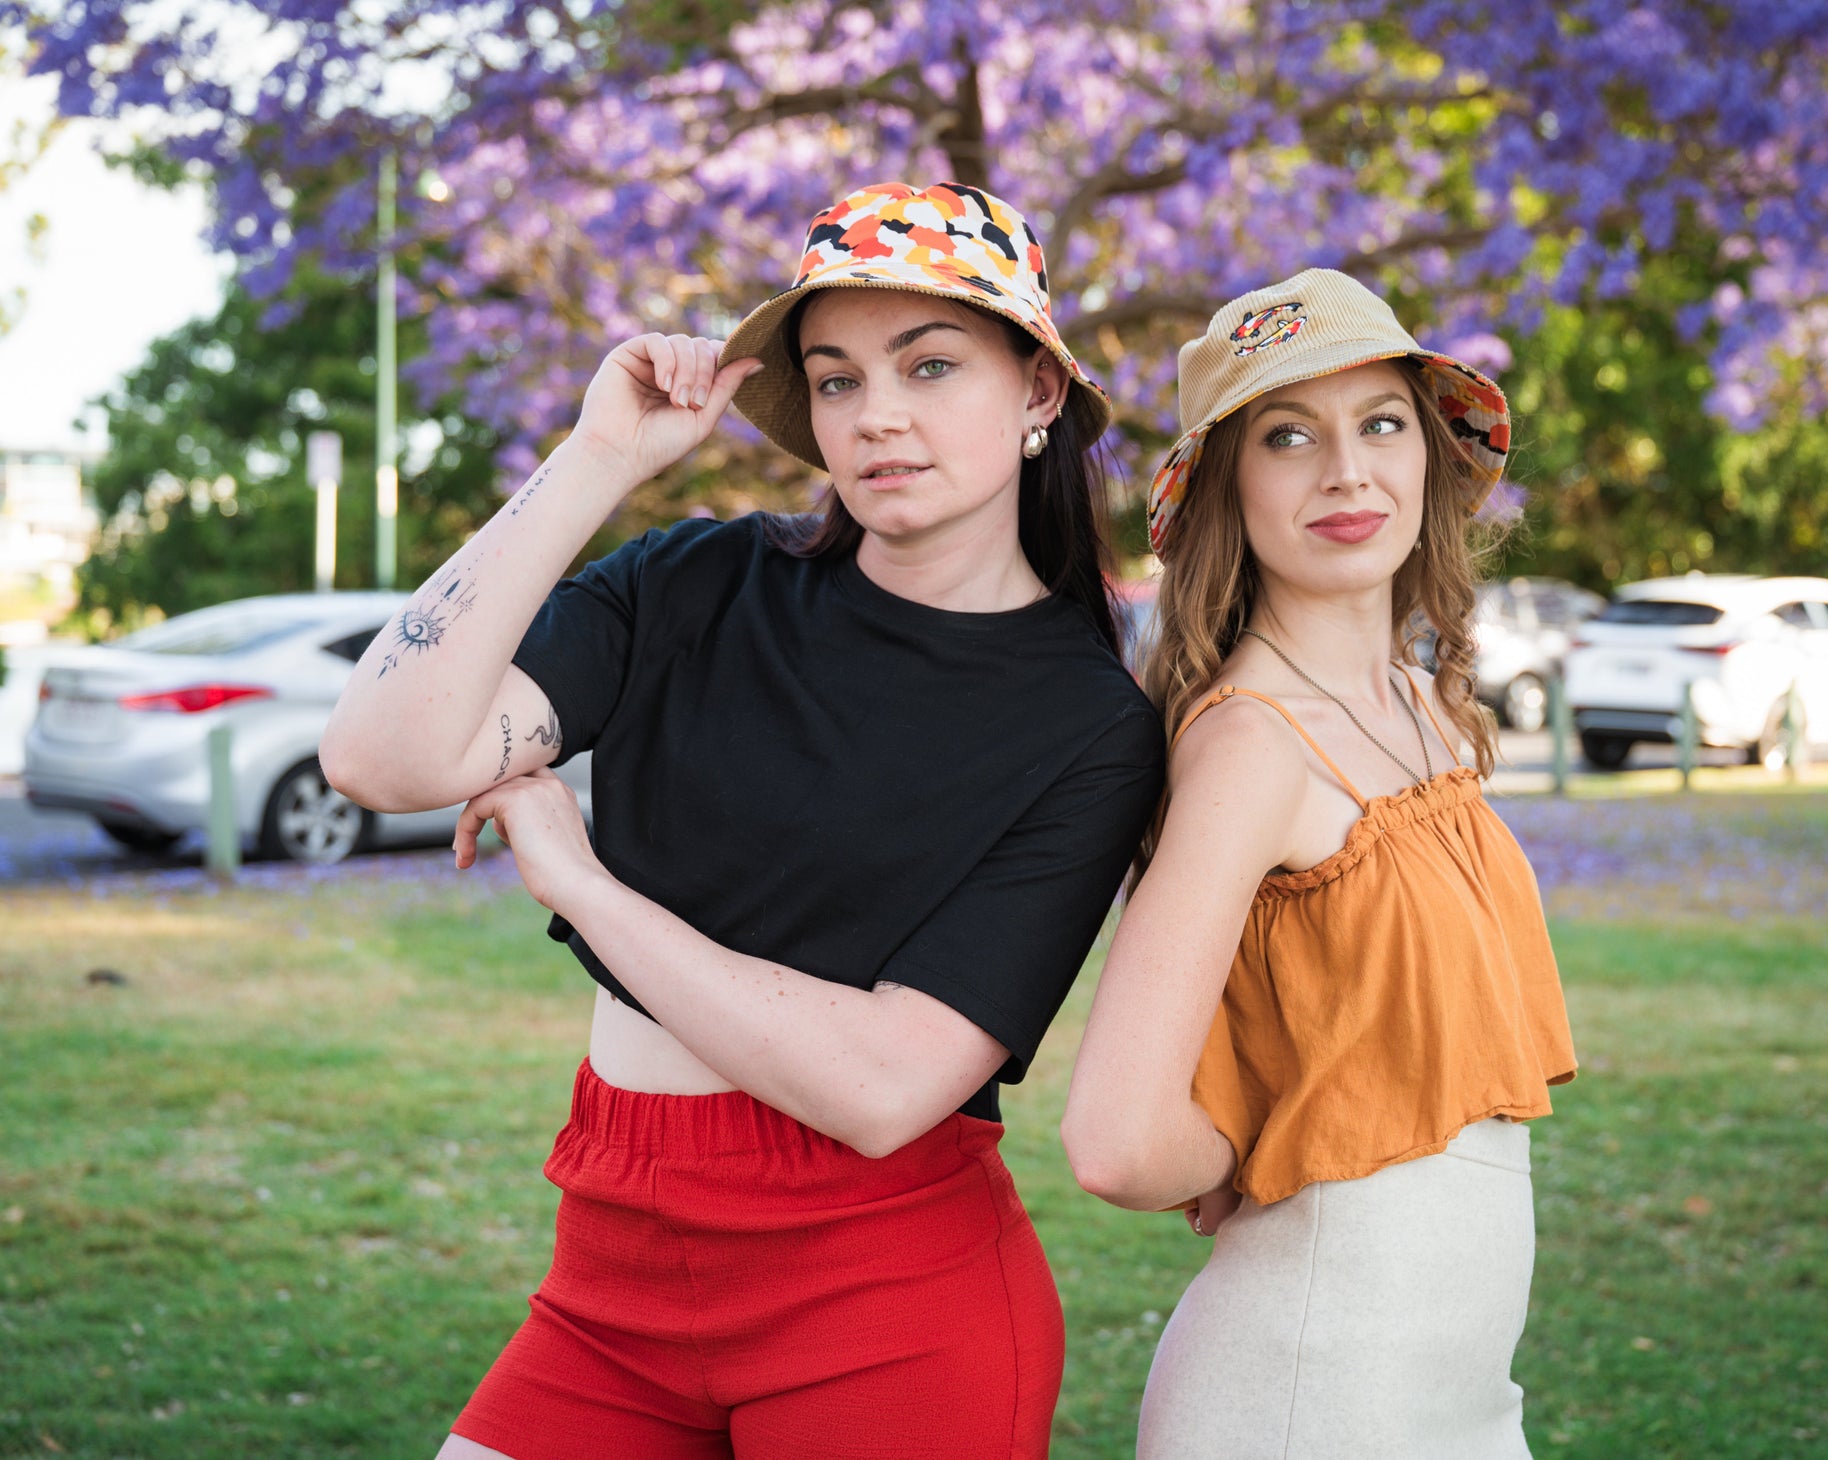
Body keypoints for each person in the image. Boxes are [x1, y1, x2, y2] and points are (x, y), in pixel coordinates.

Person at [320, 180, 1164, 1460]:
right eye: (833, 379)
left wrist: (582, 882)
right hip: (608, 1279)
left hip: (883, 1304)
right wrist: (598, 457)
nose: (875, 413)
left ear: (1038, 392)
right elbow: (381, 754)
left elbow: (884, 1085)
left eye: (929, 365)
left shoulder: (1090, 727)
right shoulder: (696, 582)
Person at [1060, 269, 1577, 1458]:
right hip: (1310, 1391)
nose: (1345, 471)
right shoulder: (1251, 742)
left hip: (1458, 1394)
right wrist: (1270, 1135)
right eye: (1286, 436)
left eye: (1379, 423)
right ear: (1227, 492)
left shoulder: (1423, 704)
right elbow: (1118, 1137)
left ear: (1426, 458)